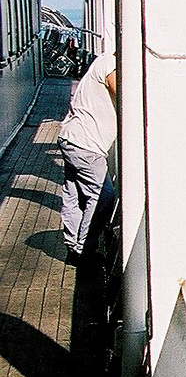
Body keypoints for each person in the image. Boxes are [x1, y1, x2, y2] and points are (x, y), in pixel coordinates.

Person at [58, 51, 118, 261]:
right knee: (103, 195)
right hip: (86, 144)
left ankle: (73, 247)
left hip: (71, 138)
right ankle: (83, 249)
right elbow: (122, 92)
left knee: (73, 193)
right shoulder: (111, 64)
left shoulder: (103, 60)